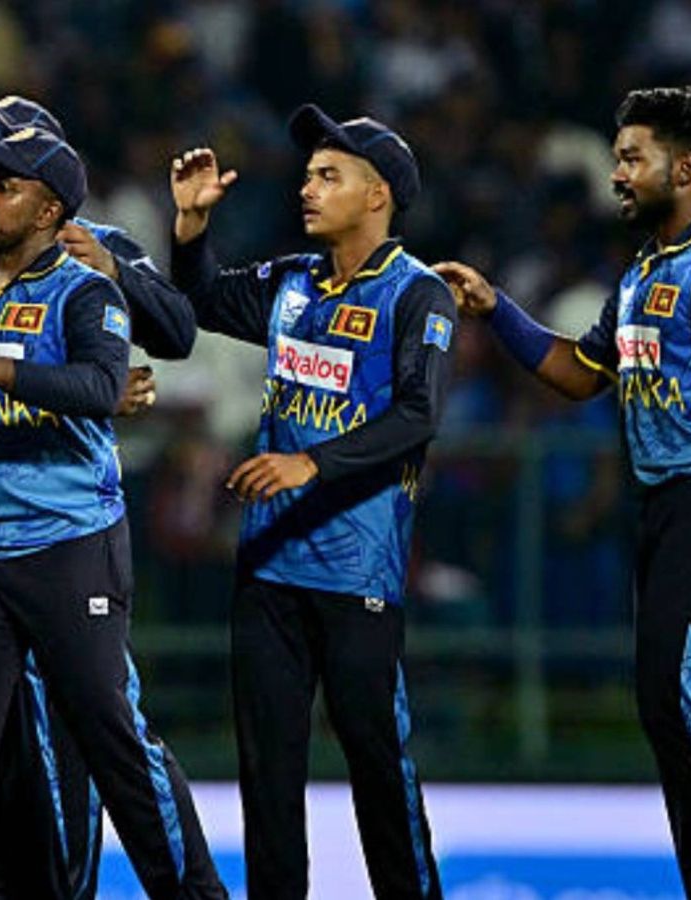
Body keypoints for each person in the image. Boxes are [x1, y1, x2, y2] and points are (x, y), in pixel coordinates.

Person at [435, 86, 691, 899]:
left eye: (632, 158)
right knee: (669, 707)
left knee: (686, 702)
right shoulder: (643, 274)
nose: (618, 175)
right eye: (617, 159)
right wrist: (496, 310)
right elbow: (579, 373)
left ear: (685, 166)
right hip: (667, 507)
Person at [0, 124, 226, 900]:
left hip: (70, 548)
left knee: (114, 742)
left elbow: (100, 387)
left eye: (4, 185)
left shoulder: (84, 288)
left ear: (51, 208)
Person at [169, 104, 453, 899]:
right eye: (307, 174)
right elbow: (204, 302)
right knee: (267, 778)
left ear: (378, 195)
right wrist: (190, 231)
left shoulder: (417, 294)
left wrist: (309, 465)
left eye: (329, 175)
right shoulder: (293, 280)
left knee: (378, 768)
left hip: (358, 575)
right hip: (266, 572)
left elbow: (418, 414)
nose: (307, 188)